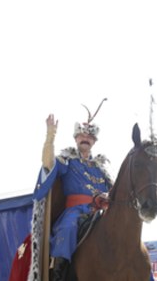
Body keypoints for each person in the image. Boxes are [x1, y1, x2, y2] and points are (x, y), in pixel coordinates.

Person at [34, 105, 113, 281]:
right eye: (82, 135)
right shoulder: (67, 160)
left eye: (90, 136)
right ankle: (58, 273)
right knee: (68, 228)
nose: (86, 138)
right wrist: (50, 137)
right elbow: (48, 165)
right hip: (75, 211)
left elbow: (114, 190)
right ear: (76, 138)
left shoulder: (101, 168)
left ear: (94, 141)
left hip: (100, 212)